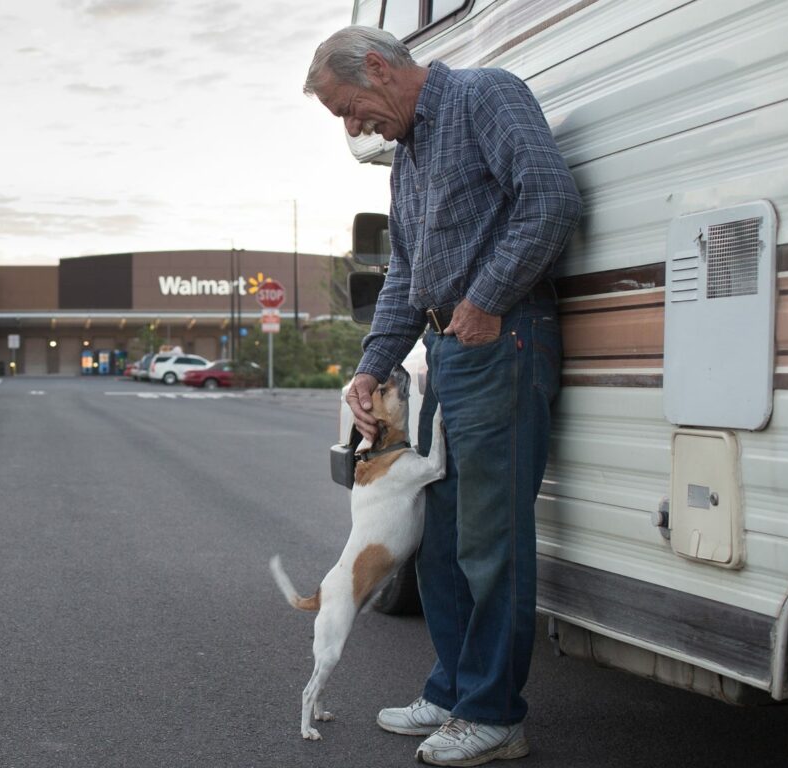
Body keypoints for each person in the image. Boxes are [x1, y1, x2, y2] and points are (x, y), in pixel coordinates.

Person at [305, 26, 582, 767]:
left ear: (376, 67)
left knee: (492, 542)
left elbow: (551, 199)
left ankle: (493, 715)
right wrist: (372, 365)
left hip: (503, 339)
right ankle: (455, 689)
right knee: (443, 543)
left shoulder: (483, 97)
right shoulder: (409, 157)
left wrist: (488, 298)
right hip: (448, 353)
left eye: (349, 110)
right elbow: (404, 275)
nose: (353, 128)